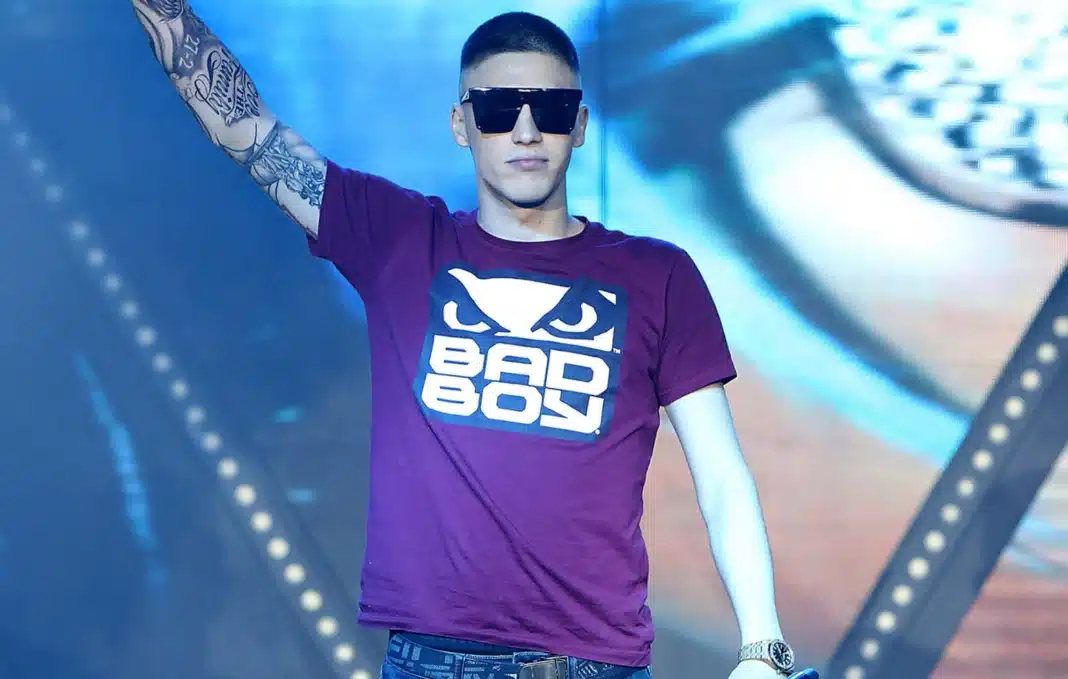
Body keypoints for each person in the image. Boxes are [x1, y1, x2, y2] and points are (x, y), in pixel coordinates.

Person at [128, 2, 801, 678]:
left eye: (551, 110)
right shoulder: (398, 240)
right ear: (462, 124)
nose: (526, 131)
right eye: (500, 109)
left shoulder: (657, 275)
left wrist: (763, 647)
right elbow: (247, 129)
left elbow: (721, 475)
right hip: (432, 663)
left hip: (595, 664)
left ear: (579, 125)